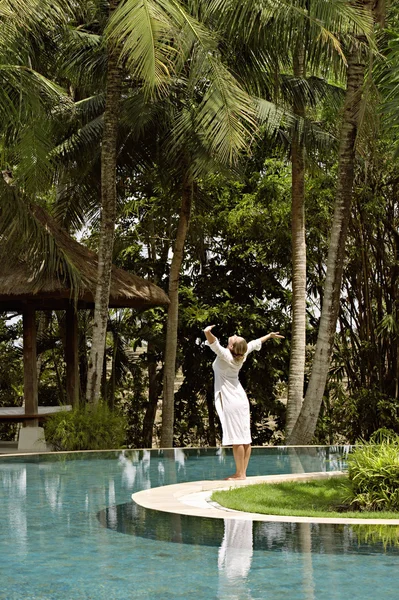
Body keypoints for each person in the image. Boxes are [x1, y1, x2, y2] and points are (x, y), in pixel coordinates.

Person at [204, 325, 284, 480]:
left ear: (231, 346)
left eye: (234, 338)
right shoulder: (242, 354)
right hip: (240, 398)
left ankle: (239, 474)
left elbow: (214, 344)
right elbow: (254, 343)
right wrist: (269, 335)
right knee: (245, 437)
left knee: (237, 439)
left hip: (231, 400)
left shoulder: (226, 355)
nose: (233, 334)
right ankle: (243, 473)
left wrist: (207, 332)